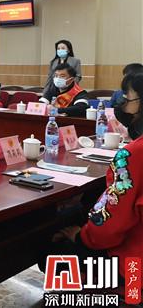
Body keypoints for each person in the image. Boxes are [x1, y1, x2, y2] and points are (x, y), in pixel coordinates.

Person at [39, 71, 143, 284]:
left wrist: (81, 236)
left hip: (132, 261)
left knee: (49, 254)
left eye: (127, 98)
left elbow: (113, 222)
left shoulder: (133, 154)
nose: (122, 104)